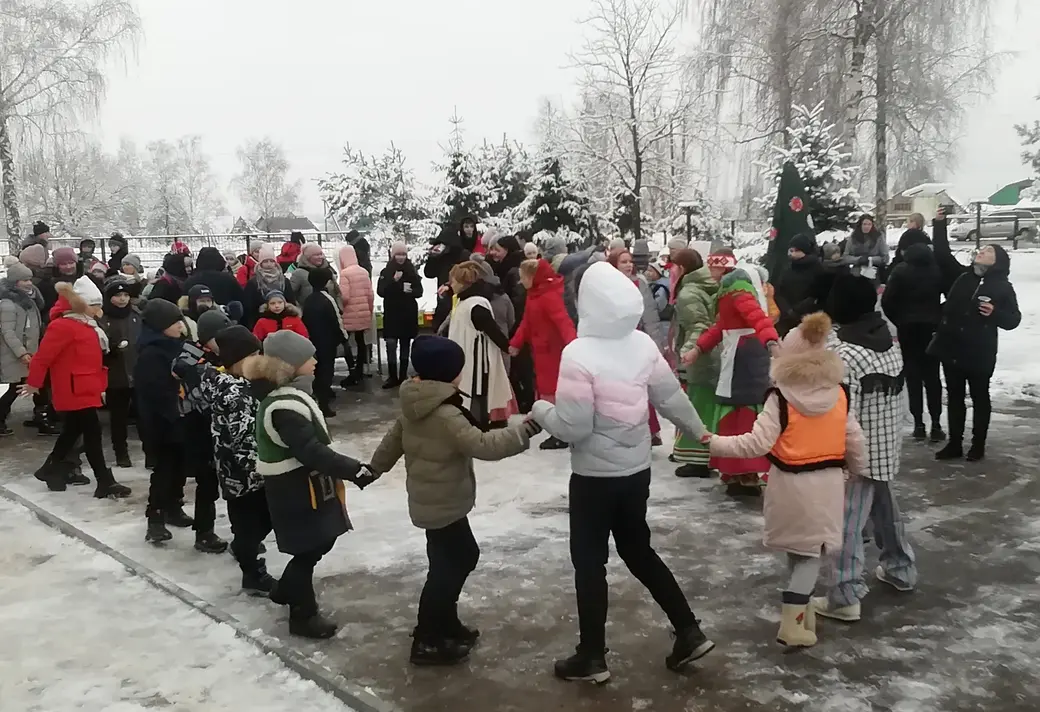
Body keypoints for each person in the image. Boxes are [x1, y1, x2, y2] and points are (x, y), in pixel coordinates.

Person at [530, 262, 714, 682]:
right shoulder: (642, 345)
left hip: (594, 480)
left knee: (589, 563)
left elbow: (574, 427)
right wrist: (700, 432)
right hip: (635, 474)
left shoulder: (578, 354)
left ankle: (591, 656)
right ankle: (688, 630)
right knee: (638, 550)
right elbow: (670, 398)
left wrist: (542, 410)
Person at [367, 335, 540, 665]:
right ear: (449, 374)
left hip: (435, 502)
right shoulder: (445, 415)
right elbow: (484, 446)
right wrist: (526, 430)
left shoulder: (417, 405)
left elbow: (392, 442)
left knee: (455, 560)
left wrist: (372, 470)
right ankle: (428, 639)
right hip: (443, 504)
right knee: (448, 569)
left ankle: (445, 624)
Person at [709, 312, 867, 647]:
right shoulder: (840, 394)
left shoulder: (780, 398)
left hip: (788, 484)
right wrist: (856, 470)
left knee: (799, 551)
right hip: (826, 484)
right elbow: (854, 439)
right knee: (811, 554)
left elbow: (756, 443)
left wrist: (714, 441)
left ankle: (800, 616)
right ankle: (792, 626)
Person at [255, 330, 376, 639]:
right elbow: (310, 451)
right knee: (309, 546)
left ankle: (285, 590)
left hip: (303, 481)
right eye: (309, 357)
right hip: (293, 486)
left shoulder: (292, 397)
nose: (316, 359)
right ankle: (302, 615)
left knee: (318, 540)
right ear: (292, 365)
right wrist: (353, 469)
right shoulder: (285, 406)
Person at [812, 276, 917, 623]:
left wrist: (838, 457)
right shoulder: (888, 339)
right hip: (886, 444)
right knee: (886, 512)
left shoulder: (844, 353)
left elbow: (841, 413)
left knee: (847, 522)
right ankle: (901, 568)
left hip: (857, 453)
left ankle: (844, 594)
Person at [174, 325, 277, 595]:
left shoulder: (219, 381)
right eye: (255, 354)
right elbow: (243, 438)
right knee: (255, 523)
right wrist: (260, 470)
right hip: (247, 472)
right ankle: (253, 572)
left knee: (246, 523)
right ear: (239, 359)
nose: (260, 359)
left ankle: (250, 566)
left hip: (228, 468)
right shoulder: (237, 393)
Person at [684, 248, 778, 497]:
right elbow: (722, 326)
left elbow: (756, 316)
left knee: (742, 414)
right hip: (739, 356)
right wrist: (699, 349)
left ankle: (746, 472)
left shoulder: (736, 286)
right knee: (738, 412)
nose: (708, 271)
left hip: (744, 359)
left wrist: (771, 341)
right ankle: (738, 472)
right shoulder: (730, 288)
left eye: (711, 266)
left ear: (720, 266)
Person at [25, 276, 131, 498]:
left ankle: (50, 469)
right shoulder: (63, 326)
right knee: (92, 432)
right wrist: (34, 384)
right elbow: (43, 358)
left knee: (72, 431)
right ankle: (104, 481)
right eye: (94, 305)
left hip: (85, 386)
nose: (99, 310)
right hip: (73, 388)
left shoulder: (88, 325)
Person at [928, 213, 1021, 461]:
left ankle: (977, 444)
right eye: (981, 249)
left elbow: (1014, 319)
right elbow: (942, 256)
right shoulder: (964, 276)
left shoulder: (1002, 286)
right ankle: (955, 443)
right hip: (952, 347)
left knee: (980, 397)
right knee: (955, 396)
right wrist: (939, 225)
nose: (981, 251)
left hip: (979, 350)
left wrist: (995, 313)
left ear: (997, 260)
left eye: (988, 250)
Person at [135, 299, 197, 544]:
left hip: (181, 417)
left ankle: (174, 506)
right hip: (161, 421)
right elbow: (154, 391)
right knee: (164, 470)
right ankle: (156, 517)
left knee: (180, 467)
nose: (180, 326)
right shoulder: (152, 353)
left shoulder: (177, 345)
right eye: (175, 322)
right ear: (161, 326)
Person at [509, 259, 576, 450]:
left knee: (554, 393)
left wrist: (574, 347)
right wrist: (516, 343)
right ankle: (556, 430)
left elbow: (564, 323)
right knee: (548, 391)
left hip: (554, 353)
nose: (521, 281)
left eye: (523, 277)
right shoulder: (536, 294)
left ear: (533, 276)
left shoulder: (548, 296)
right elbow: (526, 323)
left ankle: (560, 433)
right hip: (541, 352)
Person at [882, 241, 944, 441]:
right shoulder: (936, 271)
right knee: (933, 377)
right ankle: (936, 423)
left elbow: (887, 301)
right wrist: (939, 316)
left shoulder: (901, 271)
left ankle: (918, 423)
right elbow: (948, 296)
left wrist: (899, 320)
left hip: (908, 329)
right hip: (931, 329)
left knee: (913, 376)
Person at [608, 249, 668, 446]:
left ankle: (651, 431)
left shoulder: (639, 283)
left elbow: (649, 315)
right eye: (623, 261)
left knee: (640, 387)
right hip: (614, 343)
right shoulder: (606, 286)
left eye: (630, 261)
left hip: (635, 341)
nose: (628, 265)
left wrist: (656, 344)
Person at [446, 261, 515, 428]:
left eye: (453, 281)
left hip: (477, 360)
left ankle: (483, 420)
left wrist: (508, 347)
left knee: (478, 389)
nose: (450, 285)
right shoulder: (464, 301)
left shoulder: (476, 304)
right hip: (466, 356)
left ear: (463, 283)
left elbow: (492, 330)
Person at [671, 248, 720, 478]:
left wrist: (689, 349)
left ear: (681, 268)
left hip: (702, 357)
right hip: (714, 353)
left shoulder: (688, 293)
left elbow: (699, 325)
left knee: (697, 406)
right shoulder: (709, 285)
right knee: (707, 404)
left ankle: (697, 457)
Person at [98, 278, 141, 468]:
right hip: (115, 375)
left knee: (144, 416)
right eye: (118, 295)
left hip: (138, 372)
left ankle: (151, 453)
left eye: (126, 295)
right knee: (118, 418)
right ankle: (121, 453)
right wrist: (110, 351)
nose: (123, 299)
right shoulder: (103, 319)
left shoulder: (136, 315)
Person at [0, 263, 43, 434]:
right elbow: (7, 331)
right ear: (15, 282)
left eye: (30, 279)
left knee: (18, 385)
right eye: (24, 280)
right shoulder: (8, 304)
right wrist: (22, 352)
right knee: (16, 386)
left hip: (26, 350)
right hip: (14, 353)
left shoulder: (27, 300)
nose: (29, 283)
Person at [301, 266, 348, 417]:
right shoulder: (328, 299)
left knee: (316, 371)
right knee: (326, 372)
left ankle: (316, 400)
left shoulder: (308, 300)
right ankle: (324, 404)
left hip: (312, 341)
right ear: (327, 282)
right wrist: (343, 338)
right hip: (327, 342)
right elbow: (336, 320)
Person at [376, 241, 423, 389]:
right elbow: (381, 291)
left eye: (403, 254)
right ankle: (392, 376)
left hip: (407, 312)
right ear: (393, 255)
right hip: (392, 312)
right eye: (398, 254)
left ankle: (403, 375)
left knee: (405, 344)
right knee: (390, 343)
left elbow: (419, 291)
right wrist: (393, 281)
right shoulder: (386, 272)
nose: (401, 257)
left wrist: (411, 291)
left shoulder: (412, 271)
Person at [774, 233, 825, 337]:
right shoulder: (788, 268)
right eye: (791, 251)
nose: (793, 254)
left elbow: (819, 294)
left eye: (797, 251)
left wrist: (798, 310)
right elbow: (779, 291)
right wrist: (787, 309)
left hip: (808, 317)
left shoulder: (817, 268)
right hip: (787, 316)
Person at [337, 245, 375, 386]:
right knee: (361, 342)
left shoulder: (345, 273)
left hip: (349, 314)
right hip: (364, 312)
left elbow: (345, 297)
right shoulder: (363, 272)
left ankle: (352, 372)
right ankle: (360, 370)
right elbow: (370, 294)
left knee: (346, 341)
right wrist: (369, 311)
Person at [425, 224, 472, 331]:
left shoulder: (463, 255)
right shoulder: (440, 256)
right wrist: (432, 257)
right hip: (443, 300)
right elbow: (429, 273)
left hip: (460, 299)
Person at [242, 244, 296, 331]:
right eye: (265, 261)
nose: (269, 264)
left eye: (271, 261)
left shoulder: (284, 280)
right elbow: (249, 306)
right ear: (260, 263)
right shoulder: (254, 282)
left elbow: (291, 300)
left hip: (284, 322)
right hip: (262, 323)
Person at [842, 214, 889, 284]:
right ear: (860, 225)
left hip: (874, 273)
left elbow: (885, 257)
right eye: (864, 224)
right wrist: (858, 259)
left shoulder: (878, 237)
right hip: (856, 274)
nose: (867, 226)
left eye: (869, 224)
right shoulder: (853, 238)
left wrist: (870, 259)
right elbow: (845, 257)